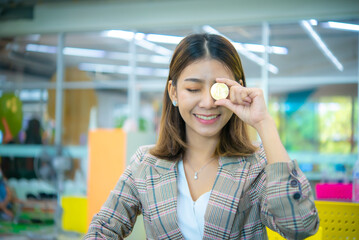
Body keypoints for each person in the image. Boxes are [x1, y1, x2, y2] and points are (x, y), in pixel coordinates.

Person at [85, 33, 319, 239]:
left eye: (220, 90)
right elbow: (103, 228)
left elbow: (299, 226)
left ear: (237, 90)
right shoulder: (146, 164)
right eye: (193, 89)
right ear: (173, 92)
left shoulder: (255, 166)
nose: (208, 103)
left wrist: (264, 123)